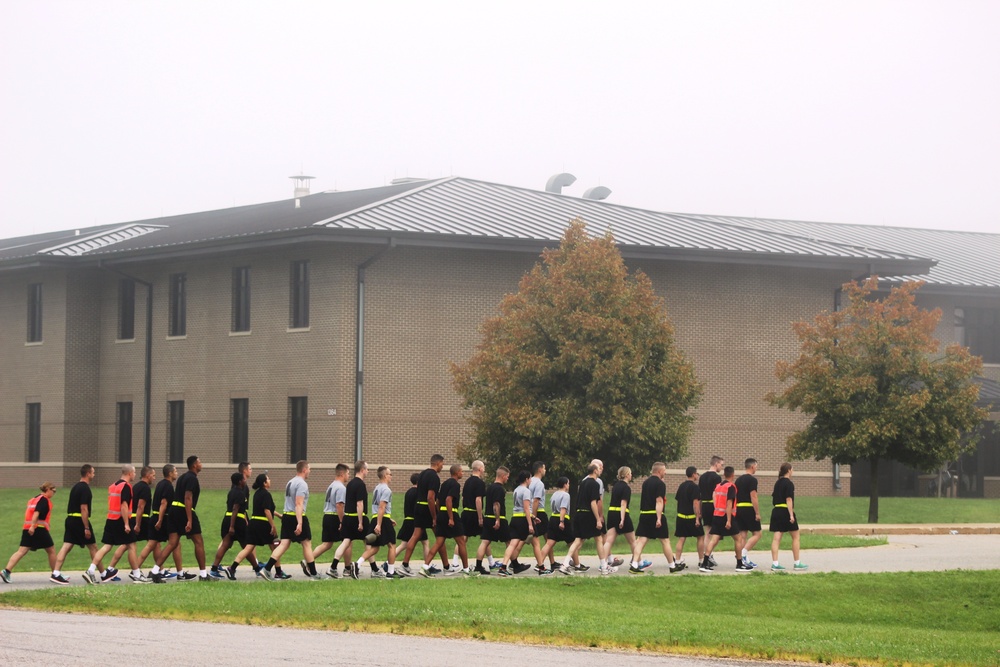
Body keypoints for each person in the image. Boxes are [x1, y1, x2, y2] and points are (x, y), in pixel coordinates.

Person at [83, 465, 147, 584]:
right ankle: (137, 575)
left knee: (107, 546)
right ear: (129, 473)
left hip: (111, 519)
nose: (134, 475)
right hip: (120, 520)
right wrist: (127, 524)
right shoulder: (126, 486)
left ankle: (90, 570)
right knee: (132, 545)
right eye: (134, 473)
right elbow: (124, 505)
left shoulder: (113, 486)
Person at [151, 455, 209, 583]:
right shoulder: (192, 479)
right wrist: (189, 519)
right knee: (198, 541)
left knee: (172, 543)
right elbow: (187, 498)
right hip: (184, 510)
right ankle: (204, 575)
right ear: (194, 465)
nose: (201, 463)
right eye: (199, 462)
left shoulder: (183, 477)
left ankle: (155, 571)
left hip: (173, 511)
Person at [260, 460, 320, 581]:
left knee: (284, 544)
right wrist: (300, 522)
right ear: (304, 470)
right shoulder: (302, 484)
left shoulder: (290, 482)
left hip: (287, 516)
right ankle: (314, 574)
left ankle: (266, 569)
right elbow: (298, 504)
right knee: (306, 543)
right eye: (309, 469)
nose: (310, 471)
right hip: (296, 516)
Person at [50, 465, 104, 585]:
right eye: (93, 472)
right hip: (79, 520)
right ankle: (100, 573)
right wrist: (86, 527)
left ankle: (56, 573)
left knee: (66, 547)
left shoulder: (75, 487)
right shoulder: (85, 489)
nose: (94, 475)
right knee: (93, 547)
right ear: (88, 474)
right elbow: (84, 508)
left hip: (70, 519)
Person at [629, 462, 685, 574]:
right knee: (665, 541)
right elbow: (659, 501)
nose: (665, 472)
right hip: (655, 514)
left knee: (641, 541)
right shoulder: (660, 484)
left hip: (644, 514)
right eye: (664, 470)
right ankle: (672, 565)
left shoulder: (645, 483)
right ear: (659, 471)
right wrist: (659, 518)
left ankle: (634, 564)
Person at [560, 463, 613, 576]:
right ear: (594, 471)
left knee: (578, 540)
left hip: (579, 514)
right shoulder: (594, 484)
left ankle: (565, 564)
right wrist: (598, 519)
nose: (600, 470)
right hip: (588, 514)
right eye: (599, 469)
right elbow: (593, 503)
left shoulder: (583, 483)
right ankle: (604, 567)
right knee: (598, 539)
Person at [2, 482, 58, 584]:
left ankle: (6, 571)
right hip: (38, 529)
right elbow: (37, 513)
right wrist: (33, 526)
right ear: (48, 489)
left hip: (27, 528)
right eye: (53, 491)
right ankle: (56, 574)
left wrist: (31, 526)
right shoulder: (44, 500)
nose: (54, 493)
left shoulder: (33, 499)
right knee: (51, 550)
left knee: (21, 551)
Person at [138, 464, 185, 580]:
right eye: (175, 471)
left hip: (156, 517)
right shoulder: (168, 486)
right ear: (170, 473)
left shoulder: (160, 484)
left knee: (154, 544)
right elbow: (163, 503)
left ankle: (137, 569)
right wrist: (160, 520)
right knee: (174, 544)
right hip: (163, 519)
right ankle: (179, 573)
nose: (177, 473)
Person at [431, 463, 478, 577]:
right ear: (457, 473)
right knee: (461, 542)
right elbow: (448, 500)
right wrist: (451, 517)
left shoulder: (444, 484)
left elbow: (437, 500)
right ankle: (466, 570)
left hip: (441, 514)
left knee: (438, 542)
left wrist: (438, 514)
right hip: (451, 514)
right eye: (462, 471)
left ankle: (425, 566)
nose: (463, 473)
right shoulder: (455, 485)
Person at [229, 473, 279, 578]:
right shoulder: (266, 494)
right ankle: (278, 572)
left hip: (253, 523)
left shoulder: (257, 494)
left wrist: (278, 515)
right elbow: (266, 511)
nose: (270, 480)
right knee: (275, 547)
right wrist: (273, 526)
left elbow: (265, 509)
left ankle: (232, 568)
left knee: (248, 548)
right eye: (268, 479)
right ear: (264, 483)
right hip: (263, 524)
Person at [704, 466, 750, 573]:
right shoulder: (731, 487)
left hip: (716, 515)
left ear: (724, 474)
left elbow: (714, 497)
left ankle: (704, 563)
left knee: (714, 539)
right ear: (733, 475)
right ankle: (739, 564)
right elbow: (729, 504)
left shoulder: (718, 486)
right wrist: (729, 520)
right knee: (738, 539)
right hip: (726, 516)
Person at [357, 466, 399, 578]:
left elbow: (377, 508)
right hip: (381, 520)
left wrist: (386, 519)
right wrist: (380, 524)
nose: (391, 476)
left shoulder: (377, 488)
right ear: (385, 475)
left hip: (377, 517)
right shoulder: (386, 489)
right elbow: (381, 507)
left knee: (375, 547)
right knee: (392, 545)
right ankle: (390, 572)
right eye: (390, 474)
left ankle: (357, 564)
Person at [331, 460, 369, 580]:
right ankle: (372, 569)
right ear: (362, 470)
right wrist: (360, 521)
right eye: (367, 469)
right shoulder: (361, 484)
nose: (368, 471)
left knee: (345, 542)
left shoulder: (350, 484)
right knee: (369, 543)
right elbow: (359, 504)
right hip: (355, 518)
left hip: (347, 518)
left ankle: (333, 567)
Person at [209, 472, 249, 578]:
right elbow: (235, 509)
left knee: (225, 545)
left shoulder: (231, 491)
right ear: (240, 481)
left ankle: (214, 568)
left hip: (227, 518)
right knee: (247, 546)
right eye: (244, 479)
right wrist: (232, 526)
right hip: (236, 521)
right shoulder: (240, 493)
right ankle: (257, 569)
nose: (245, 481)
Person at [770, 462, 808, 571]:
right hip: (785, 511)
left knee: (776, 539)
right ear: (789, 470)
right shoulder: (789, 483)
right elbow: (789, 499)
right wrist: (791, 514)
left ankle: (775, 563)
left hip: (776, 510)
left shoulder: (777, 483)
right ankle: (797, 563)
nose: (793, 471)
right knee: (796, 537)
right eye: (792, 469)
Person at [497, 470, 535, 576]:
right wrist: (530, 524)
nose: (531, 480)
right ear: (527, 479)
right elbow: (526, 509)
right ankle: (541, 566)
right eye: (530, 478)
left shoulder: (516, 490)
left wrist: (534, 517)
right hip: (522, 520)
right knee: (534, 540)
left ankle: (504, 566)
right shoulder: (526, 491)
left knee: (512, 544)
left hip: (515, 518)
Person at [313, 463, 348, 577]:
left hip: (327, 515)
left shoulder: (331, 485)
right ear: (342, 474)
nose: (349, 476)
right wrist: (342, 521)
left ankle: (308, 560)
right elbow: (339, 505)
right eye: (348, 473)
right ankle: (344, 568)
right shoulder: (341, 487)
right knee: (347, 541)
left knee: (327, 544)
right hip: (334, 516)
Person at [474, 466, 510, 575]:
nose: (507, 479)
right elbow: (496, 504)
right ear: (503, 476)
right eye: (507, 477)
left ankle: (478, 566)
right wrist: (498, 519)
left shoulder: (489, 488)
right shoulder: (499, 489)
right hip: (498, 519)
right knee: (509, 543)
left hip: (488, 518)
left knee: (485, 542)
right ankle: (511, 564)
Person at [394, 472, 427, 576]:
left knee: (404, 544)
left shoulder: (408, 492)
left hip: (407, 520)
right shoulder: (419, 493)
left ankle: (388, 562)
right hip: (416, 521)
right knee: (425, 543)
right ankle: (427, 566)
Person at [604, 466, 637, 571]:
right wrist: (622, 519)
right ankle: (637, 561)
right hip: (621, 514)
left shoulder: (616, 486)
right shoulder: (626, 487)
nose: (631, 475)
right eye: (630, 473)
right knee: (632, 541)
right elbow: (623, 503)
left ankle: (603, 563)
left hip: (611, 513)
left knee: (609, 541)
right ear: (627, 474)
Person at [673, 466, 704, 570]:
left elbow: (678, 500)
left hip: (681, 517)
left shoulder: (681, 486)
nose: (697, 475)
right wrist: (697, 518)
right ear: (693, 474)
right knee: (700, 537)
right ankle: (701, 561)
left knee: (681, 538)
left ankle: (677, 561)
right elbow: (695, 503)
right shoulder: (695, 487)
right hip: (691, 517)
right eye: (697, 473)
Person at [526, 461, 553, 574]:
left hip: (530, 512)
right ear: (540, 470)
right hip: (539, 513)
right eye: (544, 468)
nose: (545, 470)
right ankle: (540, 562)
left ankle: (552, 562)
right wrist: (534, 516)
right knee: (549, 539)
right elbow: (536, 500)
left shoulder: (529, 482)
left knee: (547, 538)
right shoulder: (539, 484)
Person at [735, 458, 762, 569]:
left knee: (743, 535)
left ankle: (740, 559)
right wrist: (757, 513)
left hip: (738, 509)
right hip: (748, 508)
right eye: (756, 465)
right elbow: (753, 496)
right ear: (752, 466)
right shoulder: (752, 480)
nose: (757, 468)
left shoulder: (738, 480)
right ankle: (744, 553)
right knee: (757, 534)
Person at [698, 456, 724, 568]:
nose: (722, 467)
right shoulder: (717, 478)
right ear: (716, 463)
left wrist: (699, 510)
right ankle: (708, 556)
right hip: (713, 506)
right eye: (721, 464)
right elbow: (716, 494)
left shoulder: (702, 477)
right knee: (715, 533)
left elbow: (699, 495)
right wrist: (717, 508)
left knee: (707, 531)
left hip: (704, 505)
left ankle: (706, 556)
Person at [539, 476, 572, 565]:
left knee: (549, 543)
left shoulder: (554, 494)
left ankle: (540, 563)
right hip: (562, 519)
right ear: (565, 484)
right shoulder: (566, 495)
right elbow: (563, 508)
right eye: (568, 483)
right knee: (572, 543)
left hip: (553, 518)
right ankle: (577, 564)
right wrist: (562, 521)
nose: (569, 485)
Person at [461, 460, 487, 557]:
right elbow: (478, 500)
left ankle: (455, 561)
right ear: (480, 469)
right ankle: (490, 561)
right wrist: (480, 517)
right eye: (483, 468)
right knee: (485, 537)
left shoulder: (467, 481)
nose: (484, 470)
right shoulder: (480, 483)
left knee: (463, 538)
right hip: (474, 513)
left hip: (466, 512)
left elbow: (463, 498)